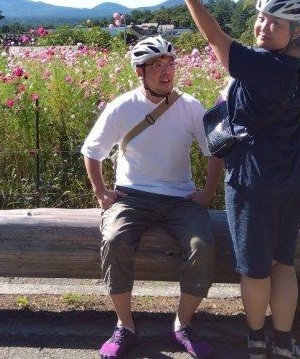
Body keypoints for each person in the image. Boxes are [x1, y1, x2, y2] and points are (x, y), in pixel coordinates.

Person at [168, 0, 300, 359]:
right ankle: (285, 339)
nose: (263, 26)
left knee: (254, 269)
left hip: (256, 181)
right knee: (282, 263)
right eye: (262, 19)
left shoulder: (261, 68)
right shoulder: (298, 60)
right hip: (294, 174)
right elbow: (280, 7)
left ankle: (256, 337)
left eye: (274, 23)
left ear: (294, 30)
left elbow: (216, 39)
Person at [81, 35, 224, 359]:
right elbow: (92, 150)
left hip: (179, 198)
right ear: (139, 72)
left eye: (170, 64)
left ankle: (182, 325)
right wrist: (101, 192)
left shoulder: (189, 106)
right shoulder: (123, 107)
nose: (166, 72)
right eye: (156, 66)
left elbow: (214, 150)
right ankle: (124, 326)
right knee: (115, 240)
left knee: (202, 247)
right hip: (132, 196)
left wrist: (207, 193)